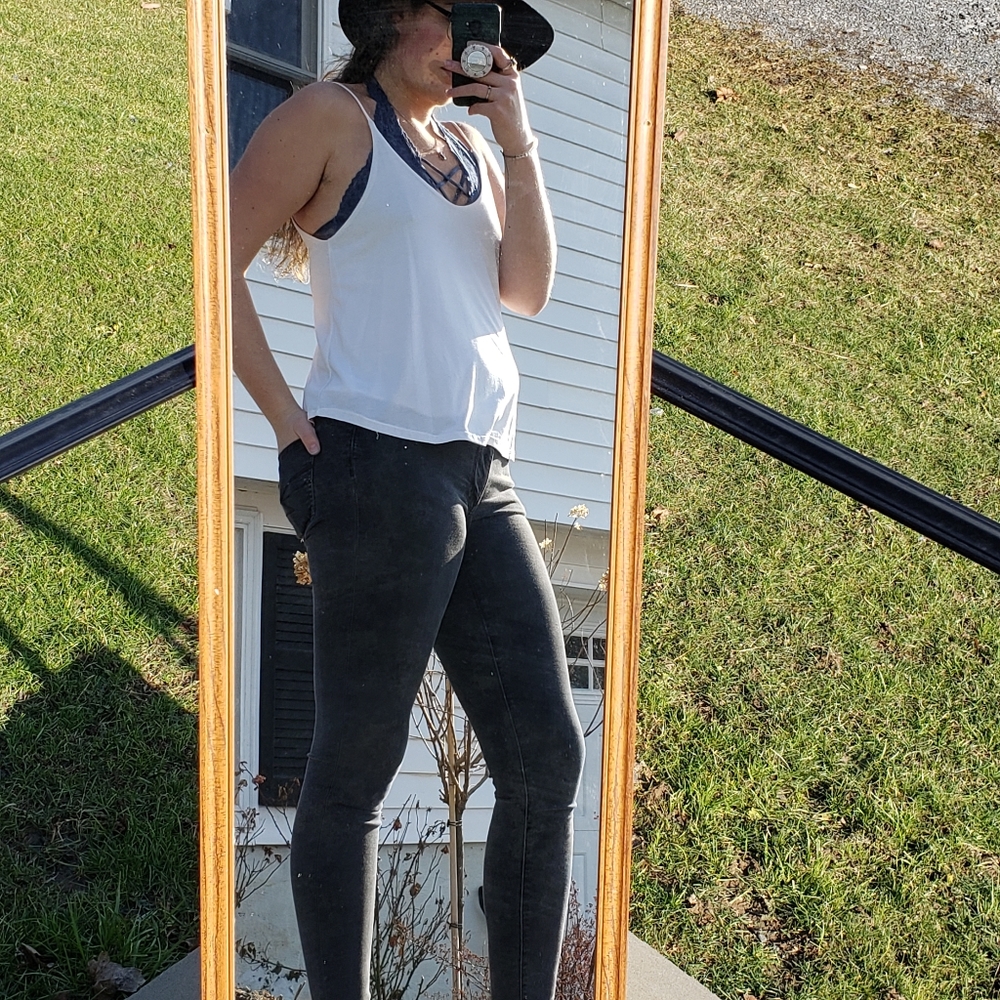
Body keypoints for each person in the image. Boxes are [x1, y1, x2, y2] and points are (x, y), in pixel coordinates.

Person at [229, 1, 585, 997]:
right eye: (454, 15)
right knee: (356, 766)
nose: (474, 37)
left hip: (484, 470)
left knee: (546, 755)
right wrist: (283, 417)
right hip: (375, 463)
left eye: (488, 26)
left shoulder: (470, 145)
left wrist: (518, 141)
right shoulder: (329, 116)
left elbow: (526, 289)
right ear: (391, 17)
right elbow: (214, 258)